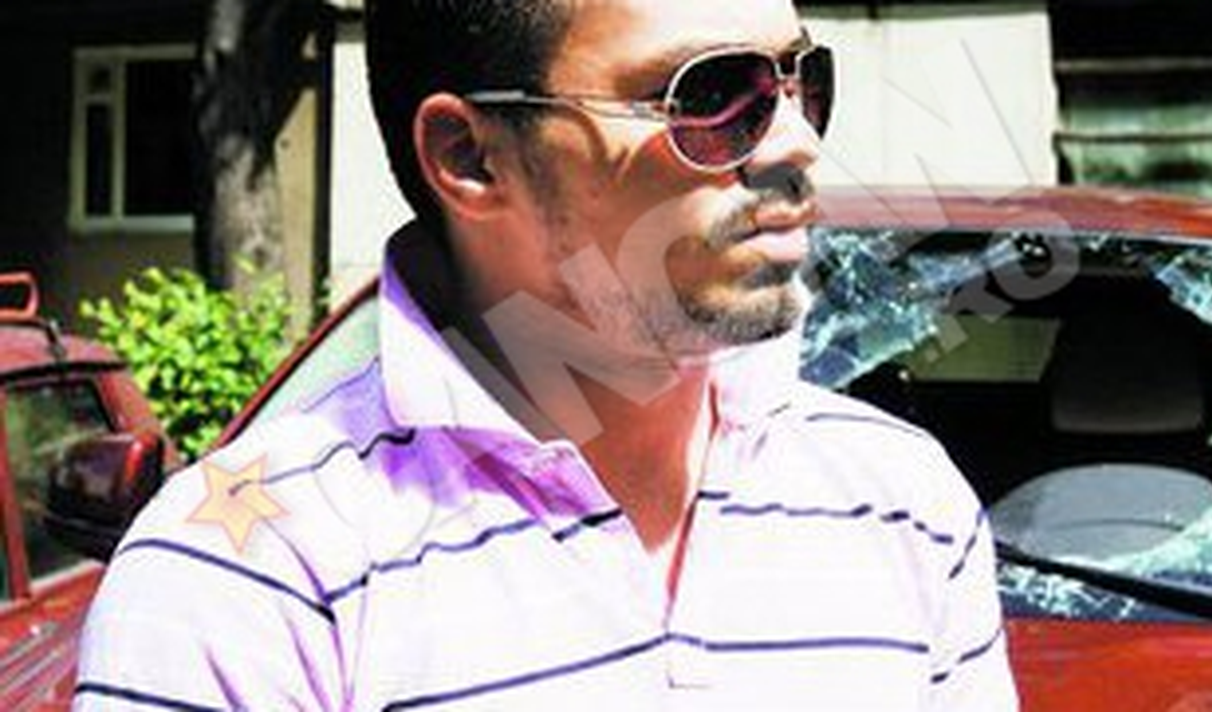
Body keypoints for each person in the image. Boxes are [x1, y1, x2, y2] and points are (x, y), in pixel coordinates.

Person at [74, 0, 1018, 709]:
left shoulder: (901, 503)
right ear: (471, 157)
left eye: (801, 79)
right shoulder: (252, 577)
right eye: (712, 94)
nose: (798, 143)